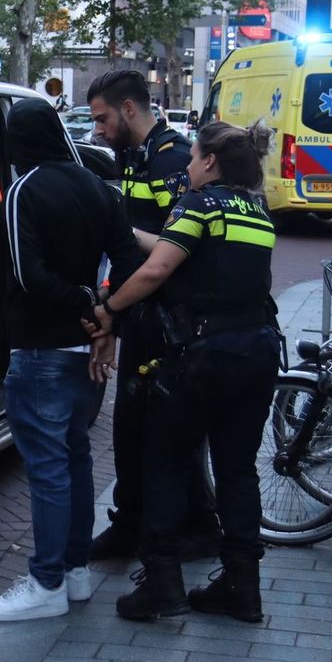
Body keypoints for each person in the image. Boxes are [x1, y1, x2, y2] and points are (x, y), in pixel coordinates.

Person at [87, 120, 281, 624]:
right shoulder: (256, 212)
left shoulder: (200, 204)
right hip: (257, 350)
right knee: (237, 470)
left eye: (195, 158)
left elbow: (158, 271)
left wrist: (108, 308)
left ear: (210, 162)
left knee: (166, 461)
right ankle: (242, 586)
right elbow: (190, 252)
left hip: (203, 355)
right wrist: (131, 232)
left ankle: (162, 583)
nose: (189, 166)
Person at [0, 97, 143, 622]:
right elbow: (130, 261)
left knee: (48, 469)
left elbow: (27, 275)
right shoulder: (98, 187)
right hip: (88, 352)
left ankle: (45, 581)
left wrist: (86, 303)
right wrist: (107, 315)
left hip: (42, 348)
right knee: (73, 461)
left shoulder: (24, 189)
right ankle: (73, 573)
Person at [84, 69, 221, 564]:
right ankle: (132, 524)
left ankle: (196, 527)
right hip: (142, 311)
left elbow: (168, 249)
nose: (97, 129)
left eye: (101, 118)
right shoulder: (134, 156)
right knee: (131, 425)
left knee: (167, 431)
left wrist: (113, 233)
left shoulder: (171, 160)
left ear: (127, 109)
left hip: (166, 319)